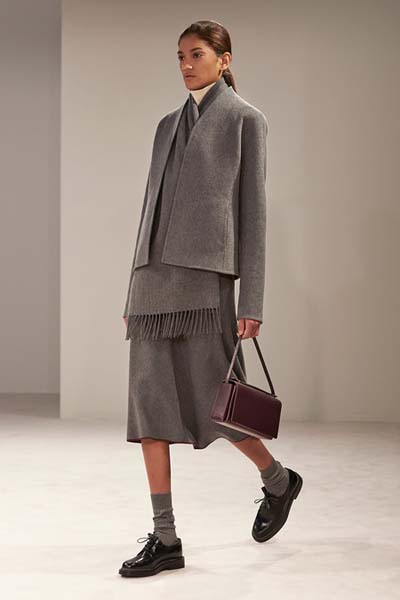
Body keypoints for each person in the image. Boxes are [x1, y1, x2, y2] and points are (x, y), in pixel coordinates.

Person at [118, 20, 303, 578]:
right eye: (179, 56)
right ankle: (165, 538)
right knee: (148, 408)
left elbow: (253, 216)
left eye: (196, 54)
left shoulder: (246, 120)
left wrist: (253, 301)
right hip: (153, 286)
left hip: (205, 286)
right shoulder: (165, 126)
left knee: (217, 407)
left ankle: (277, 480)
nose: (185, 65)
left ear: (224, 59)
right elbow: (149, 209)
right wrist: (132, 288)